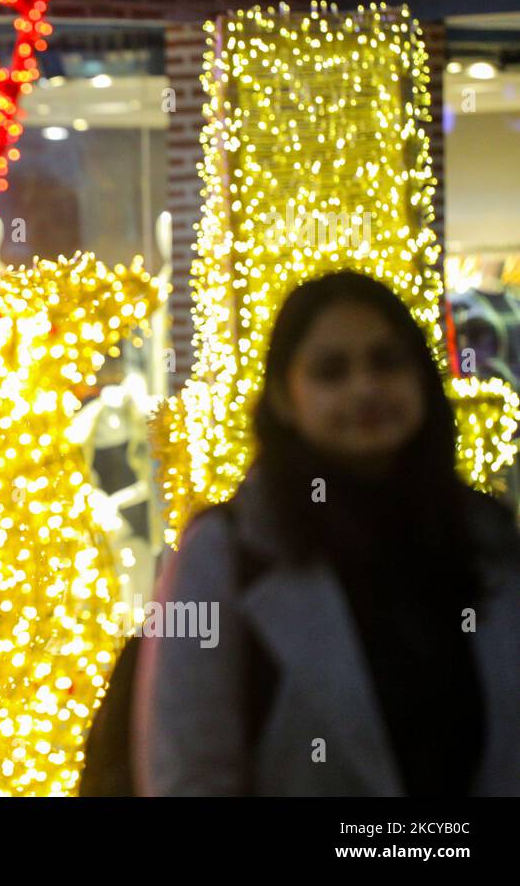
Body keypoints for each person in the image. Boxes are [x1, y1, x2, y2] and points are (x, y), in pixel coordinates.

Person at [133, 270, 520, 796]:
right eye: (330, 371)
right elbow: (188, 773)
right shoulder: (222, 554)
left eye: (387, 361)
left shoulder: (485, 537)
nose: (365, 388)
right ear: (285, 398)